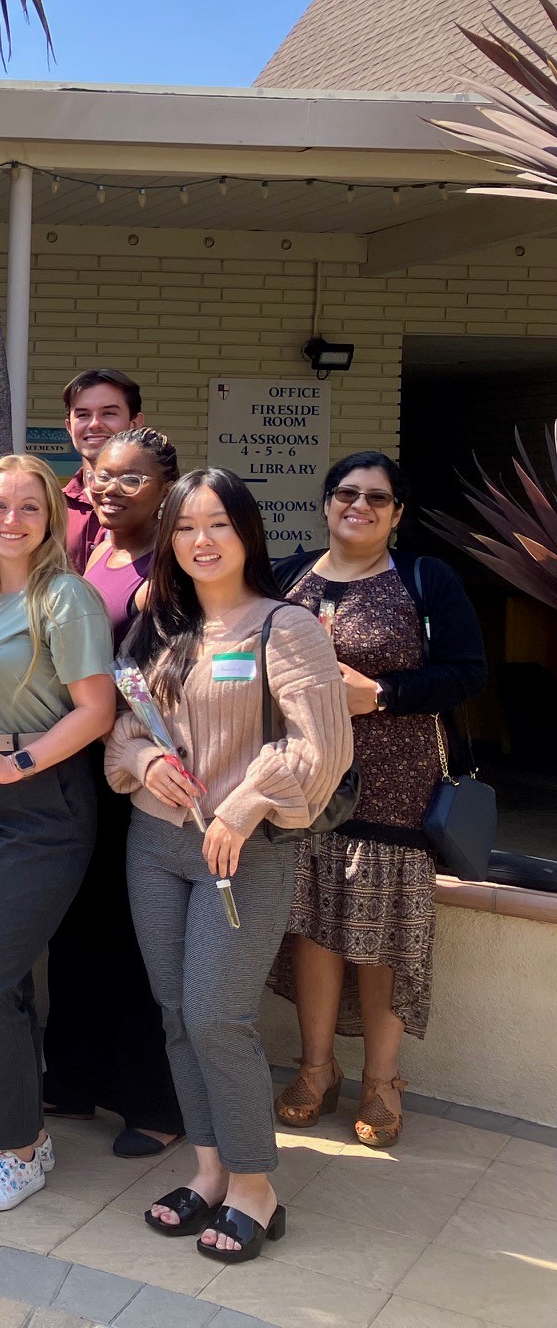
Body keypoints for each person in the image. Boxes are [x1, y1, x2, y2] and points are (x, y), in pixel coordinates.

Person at [109, 468, 350, 1262]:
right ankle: (210, 1170)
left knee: (219, 1016)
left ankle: (256, 1186)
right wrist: (145, 763)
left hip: (242, 849)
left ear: (248, 532)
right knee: (177, 1011)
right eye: (184, 528)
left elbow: (320, 747)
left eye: (218, 524)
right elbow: (123, 727)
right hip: (156, 842)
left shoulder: (287, 626)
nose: (201, 541)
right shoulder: (159, 623)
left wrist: (248, 803)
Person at [267, 452, 485, 1149]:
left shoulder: (425, 579)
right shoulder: (288, 576)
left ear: (397, 513)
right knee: (310, 925)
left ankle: (382, 1081)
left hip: (395, 785)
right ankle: (316, 1068)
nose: (359, 506)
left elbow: (466, 673)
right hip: (304, 781)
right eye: (346, 493)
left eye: (377, 498)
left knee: (380, 932)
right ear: (326, 503)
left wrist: (383, 695)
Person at [0, 454, 117, 1213]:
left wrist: (20, 759)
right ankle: (24, 1136)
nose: (11, 521)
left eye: (28, 508)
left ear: (52, 520)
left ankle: (17, 1149)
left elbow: (96, 709)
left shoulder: (64, 598)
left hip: (44, 811)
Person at [40, 428, 187, 1159]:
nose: (108, 487)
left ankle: (153, 1102)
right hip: (82, 770)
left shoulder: (174, 566)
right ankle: (73, 1076)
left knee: (137, 942)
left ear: (165, 489)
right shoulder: (89, 553)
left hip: (142, 776)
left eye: (130, 479)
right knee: (78, 928)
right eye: (100, 474)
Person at [58, 369, 145, 571]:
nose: (95, 424)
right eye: (83, 415)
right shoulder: (51, 508)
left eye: (108, 413)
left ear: (135, 424)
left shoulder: (159, 507)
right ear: (69, 427)